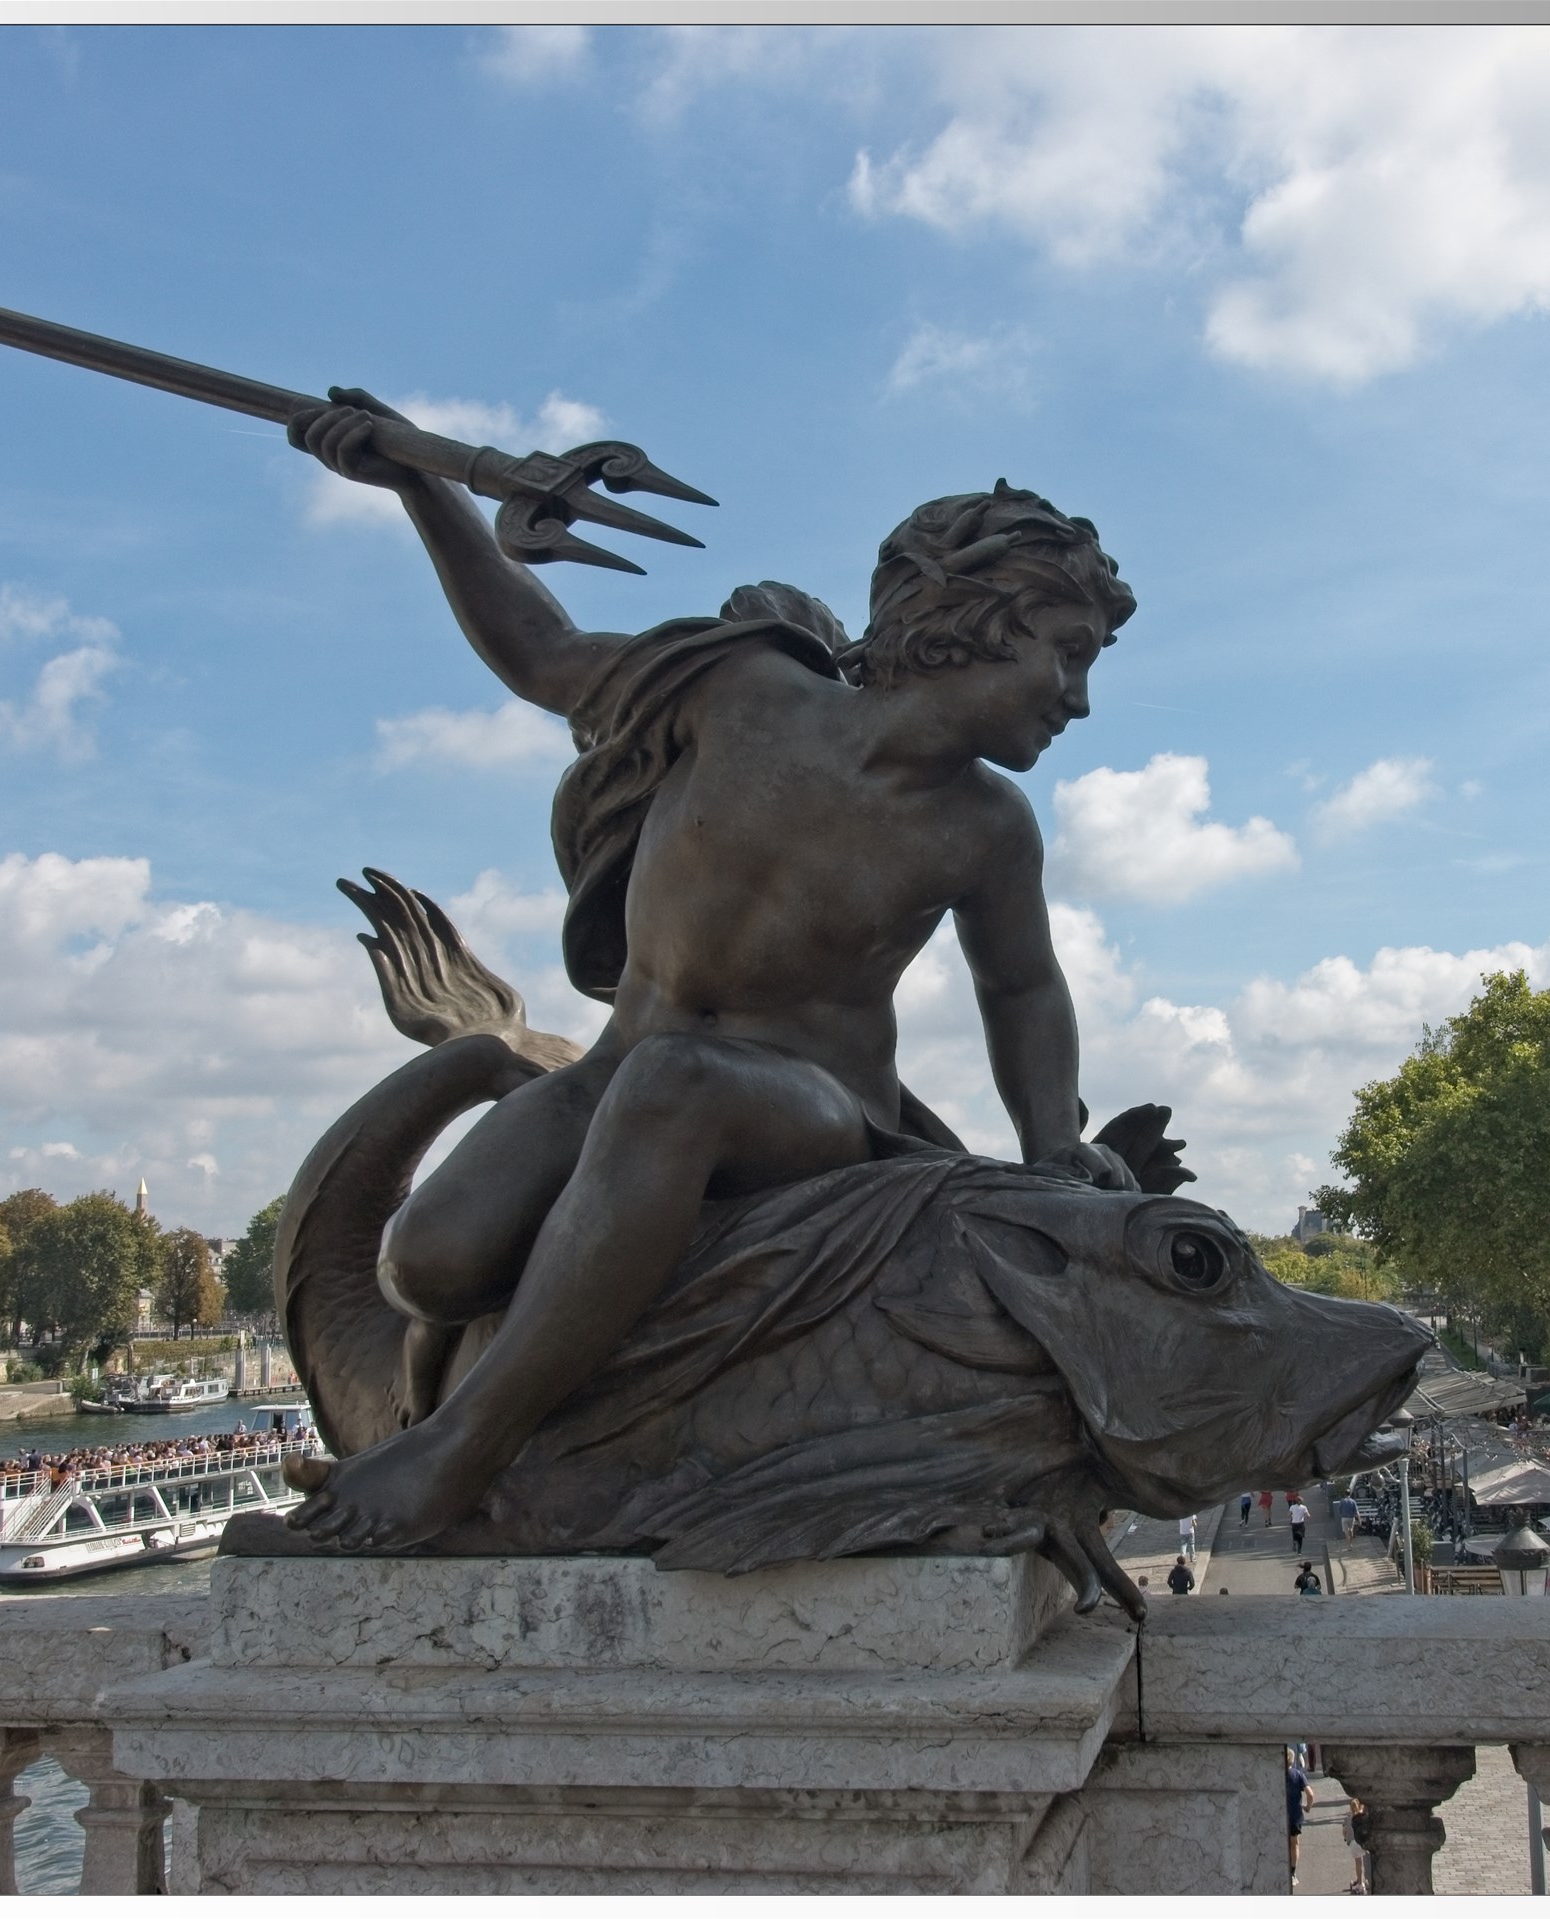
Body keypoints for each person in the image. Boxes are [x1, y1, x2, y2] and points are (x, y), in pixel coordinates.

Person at [278, 405, 1143, 1552]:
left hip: (820, 1112)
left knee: (681, 1082)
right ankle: (471, 1400)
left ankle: (461, 1450)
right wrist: (417, 488)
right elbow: (540, 655)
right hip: (618, 1067)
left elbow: (1023, 990)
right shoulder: (735, 689)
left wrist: (1047, 1145)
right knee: (428, 1262)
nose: (1076, 698)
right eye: (1067, 651)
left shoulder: (987, 826)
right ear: (970, 622)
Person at [1287, 1749, 1314, 1881]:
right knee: (1294, 1843)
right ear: (1293, 1760)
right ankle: (1292, 1873)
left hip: (1280, 1815)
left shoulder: (1277, 1774)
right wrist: (1307, 1807)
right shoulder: (1298, 1775)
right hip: (1295, 1815)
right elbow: (1310, 1794)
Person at [1346, 1794, 1374, 1894]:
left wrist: (1346, 1839)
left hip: (1354, 1843)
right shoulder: (1363, 1816)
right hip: (1363, 1840)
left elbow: (1344, 1831)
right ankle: (1368, 1881)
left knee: (1358, 1862)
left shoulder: (1349, 1817)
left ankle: (1360, 1883)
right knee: (1368, 1859)